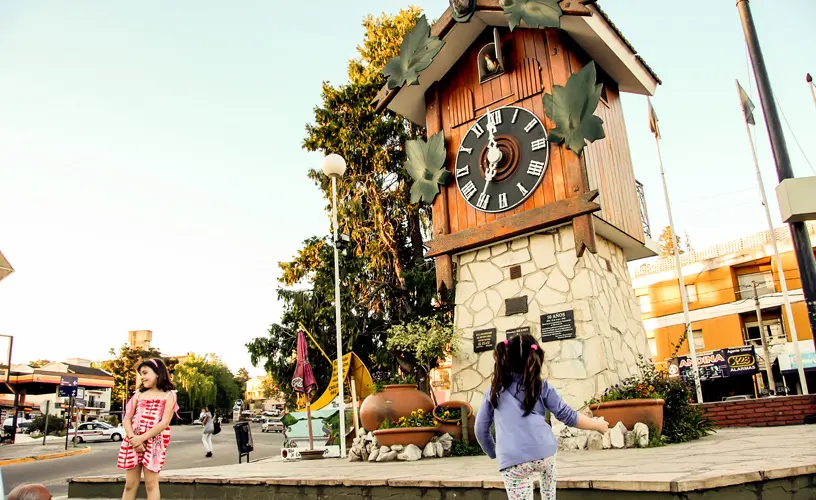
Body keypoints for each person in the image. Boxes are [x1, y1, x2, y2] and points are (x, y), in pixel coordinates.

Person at [475, 334, 610, 500]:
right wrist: (597, 425)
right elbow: (567, 415)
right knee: (548, 492)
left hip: (513, 460)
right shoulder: (541, 386)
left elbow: (480, 430)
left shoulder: (494, 390)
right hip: (544, 453)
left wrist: (493, 451)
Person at [117, 358, 178, 500]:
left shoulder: (169, 395)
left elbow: (164, 422)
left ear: (157, 373)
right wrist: (134, 439)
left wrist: (142, 439)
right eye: (140, 374)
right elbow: (127, 419)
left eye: (145, 373)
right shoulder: (138, 394)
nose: (142, 377)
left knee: (151, 484)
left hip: (154, 443)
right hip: (133, 442)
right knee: (130, 485)